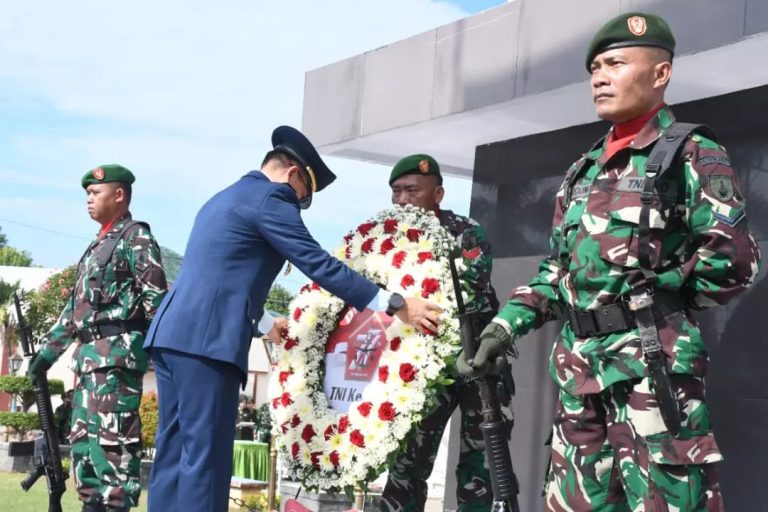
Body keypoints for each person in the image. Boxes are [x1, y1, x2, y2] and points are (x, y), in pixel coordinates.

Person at [458, 12, 761, 512]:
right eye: (595, 66)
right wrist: (501, 330)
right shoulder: (582, 171)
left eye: (615, 63)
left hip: (652, 375)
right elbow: (556, 273)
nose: (599, 76)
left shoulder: (690, 153)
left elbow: (734, 263)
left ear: (660, 73)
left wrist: (656, 296)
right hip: (579, 375)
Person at [144, 126, 443, 512]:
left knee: (172, 455)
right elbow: (316, 263)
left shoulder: (225, 197)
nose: (297, 208)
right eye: (302, 199)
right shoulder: (271, 197)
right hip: (208, 346)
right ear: (293, 175)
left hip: (172, 338)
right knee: (206, 459)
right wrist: (396, 303)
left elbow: (221, 277)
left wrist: (268, 324)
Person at [27, 164, 168, 512]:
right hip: (88, 364)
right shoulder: (97, 246)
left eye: (95, 193)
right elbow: (75, 313)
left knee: (113, 451)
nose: (88, 200)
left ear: (119, 195)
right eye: (87, 194)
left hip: (117, 366)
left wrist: (161, 362)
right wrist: (45, 355)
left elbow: (158, 305)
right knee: (85, 454)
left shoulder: (136, 238)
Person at [381, 154, 514, 512]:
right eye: (396, 191)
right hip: (418, 368)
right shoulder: (383, 243)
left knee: (479, 468)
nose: (403, 199)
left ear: (437, 194)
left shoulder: (464, 232)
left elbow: (467, 290)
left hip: (474, 361)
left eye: (412, 190)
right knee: (407, 463)